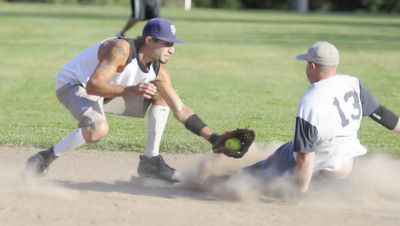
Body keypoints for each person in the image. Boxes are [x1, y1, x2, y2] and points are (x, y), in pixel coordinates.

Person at [25, 18, 221, 183]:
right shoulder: (120, 49)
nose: (172, 49)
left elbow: (180, 109)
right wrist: (132, 90)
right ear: (150, 40)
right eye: (167, 44)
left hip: (107, 91)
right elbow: (93, 85)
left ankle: (150, 161)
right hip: (75, 85)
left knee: (161, 95)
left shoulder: (158, 70)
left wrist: (215, 139)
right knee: (98, 130)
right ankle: (44, 158)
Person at [242, 41, 400, 194]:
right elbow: (382, 115)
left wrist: (300, 194)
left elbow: (305, 156)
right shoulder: (353, 84)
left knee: (267, 171)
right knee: (288, 149)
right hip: (349, 172)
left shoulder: (310, 100)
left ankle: (232, 180)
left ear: (312, 66)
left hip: (323, 178)